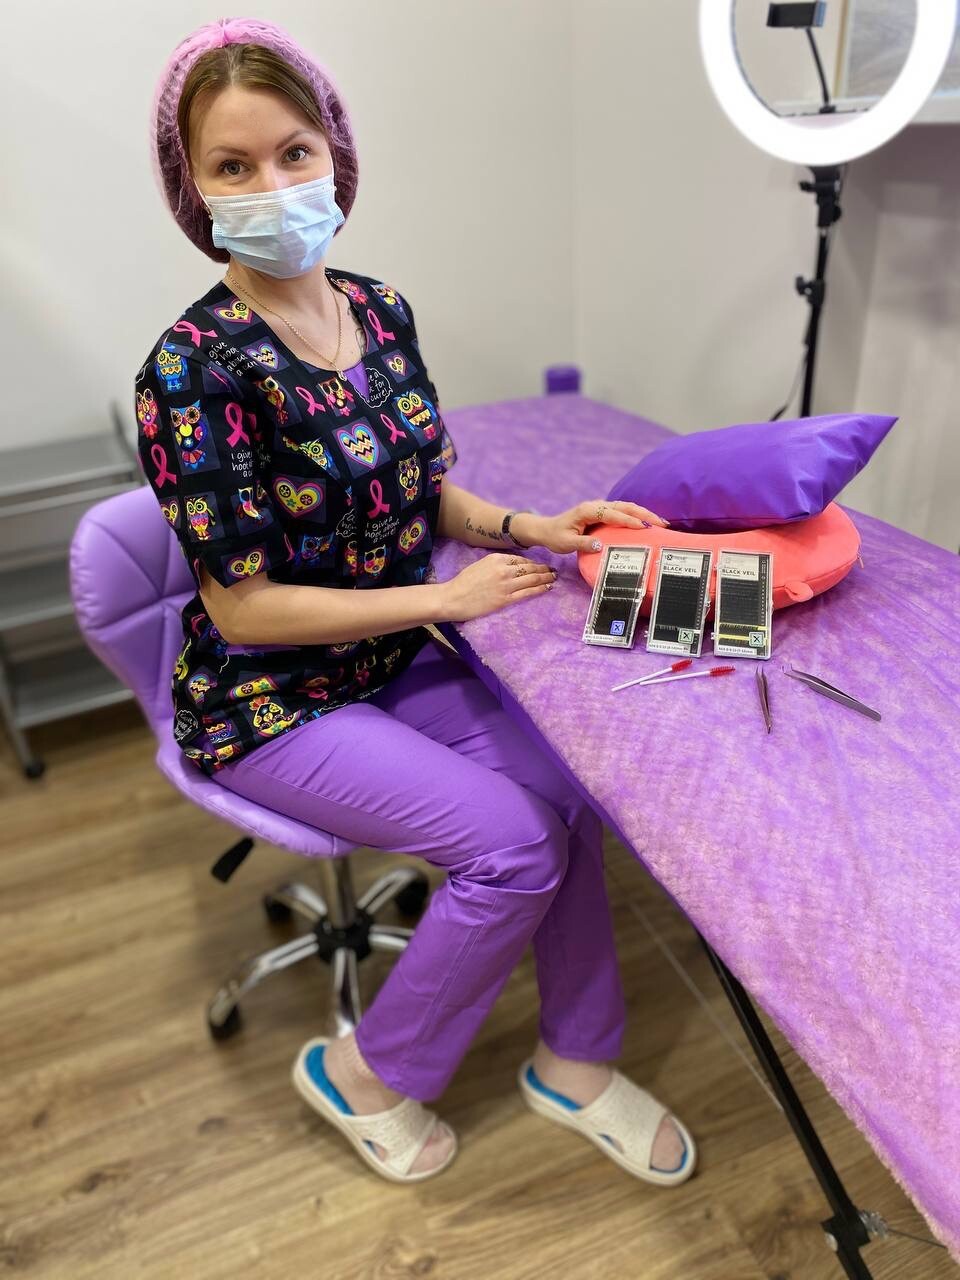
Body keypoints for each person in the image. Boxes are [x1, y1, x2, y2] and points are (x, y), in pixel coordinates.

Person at [139, 16, 697, 1186]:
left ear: (335, 153)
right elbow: (244, 611)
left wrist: (529, 528)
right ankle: (366, 1071)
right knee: (512, 845)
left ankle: (576, 1057)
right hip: (269, 698)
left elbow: (425, 485)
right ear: (193, 190)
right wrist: (445, 602)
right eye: (233, 166)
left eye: (293, 153)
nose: (272, 186)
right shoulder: (191, 370)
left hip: (387, 662)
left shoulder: (379, 308)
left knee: (570, 791)